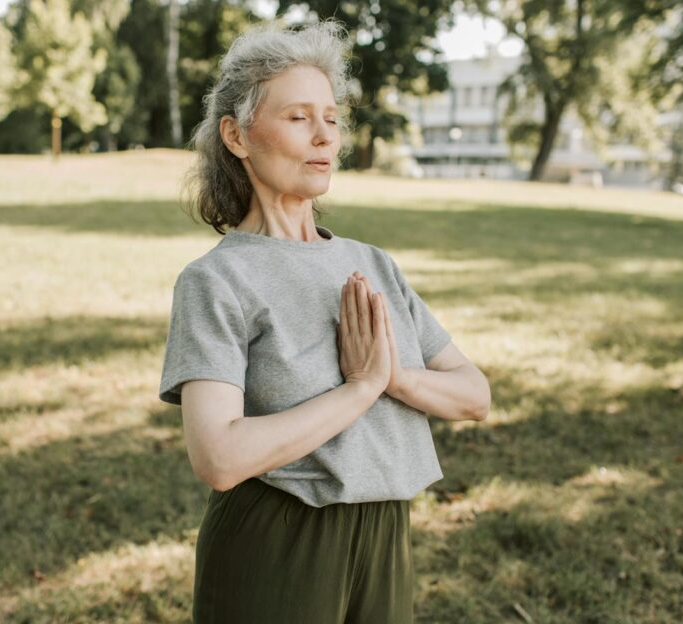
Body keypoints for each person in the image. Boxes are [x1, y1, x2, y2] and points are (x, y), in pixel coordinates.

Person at [158, 19, 491, 624]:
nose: (324, 137)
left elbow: (474, 396)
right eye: (298, 117)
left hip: (386, 534)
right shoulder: (217, 280)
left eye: (331, 119)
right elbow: (219, 457)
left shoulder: (373, 264)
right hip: (278, 541)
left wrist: (394, 378)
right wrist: (360, 389)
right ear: (236, 135)